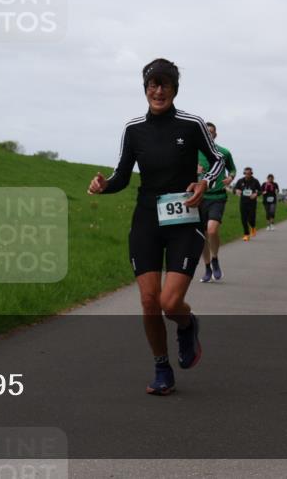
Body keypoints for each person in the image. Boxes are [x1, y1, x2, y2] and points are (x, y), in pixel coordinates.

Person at [88, 58, 224, 396]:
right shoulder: (134, 129)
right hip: (147, 219)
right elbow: (122, 175)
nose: (158, 90)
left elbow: (218, 160)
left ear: (175, 89)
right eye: (152, 84)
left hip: (183, 221)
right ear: (145, 88)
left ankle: (187, 323)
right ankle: (162, 367)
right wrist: (105, 185)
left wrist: (204, 182)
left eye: (165, 84)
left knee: (169, 303)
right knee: (149, 302)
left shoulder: (191, 124)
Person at [196, 122, 236, 283]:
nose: (209, 135)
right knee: (202, 236)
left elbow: (232, 169)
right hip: (199, 198)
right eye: (206, 132)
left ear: (215, 135)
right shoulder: (194, 152)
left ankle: (215, 259)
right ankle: (206, 267)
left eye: (211, 132)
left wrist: (231, 177)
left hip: (217, 197)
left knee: (212, 231)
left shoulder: (224, 152)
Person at [233, 167, 261, 241]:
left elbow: (260, 190)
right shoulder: (240, 181)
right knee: (243, 219)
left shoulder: (255, 181)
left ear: (251, 173)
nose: (247, 175)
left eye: (249, 173)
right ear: (244, 173)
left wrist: (256, 194)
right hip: (243, 202)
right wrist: (236, 190)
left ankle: (253, 227)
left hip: (252, 203)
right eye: (246, 173)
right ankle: (246, 234)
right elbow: (234, 189)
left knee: (251, 218)